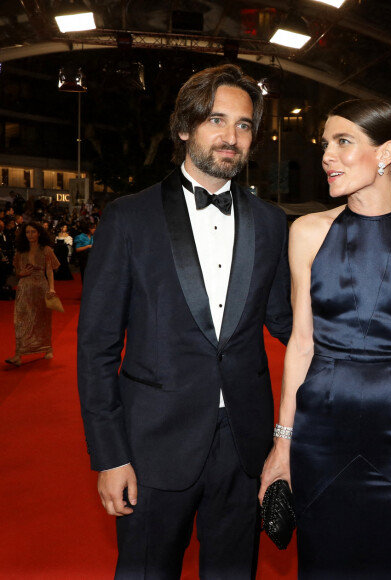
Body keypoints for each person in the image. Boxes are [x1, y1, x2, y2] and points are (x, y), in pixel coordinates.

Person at [77, 64, 292, 580]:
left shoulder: (270, 222)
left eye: (243, 125)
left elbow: (287, 321)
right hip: (153, 446)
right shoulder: (129, 218)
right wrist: (109, 457)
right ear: (183, 128)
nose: (231, 136)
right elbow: (98, 347)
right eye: (216, 120)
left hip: (243, 443)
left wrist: (368, 351)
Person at [259, 99, 391, 579]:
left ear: (385, 152)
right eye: (326, 143)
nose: (327, 155)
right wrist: (282, 446)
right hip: (319, 439)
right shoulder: (306, 232)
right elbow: (301, 346)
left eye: (342, 142)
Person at [5, 222, 60, 366]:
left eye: (33, 232)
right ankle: (18, 354)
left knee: (42, 319)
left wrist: (51, 288)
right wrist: (21, 274)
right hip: (24, 287)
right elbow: (17, 272)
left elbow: (49, 270)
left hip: (41, 288)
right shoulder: (20, 251)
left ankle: (47, 348)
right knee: (20, 321)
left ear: (39, 233)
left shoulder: (46, 249)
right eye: (27, 232)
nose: (30, 235)